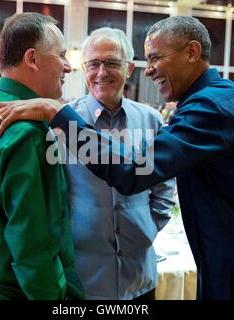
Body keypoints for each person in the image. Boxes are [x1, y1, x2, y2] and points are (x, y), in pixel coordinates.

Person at [0, 16, 234, 299]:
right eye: (148, 59)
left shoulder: (210, 108)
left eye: (156, 57)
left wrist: (55, 111)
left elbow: (132, 172)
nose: (150, 69)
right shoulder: (217, 99)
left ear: (192, 52)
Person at [0, 12, 84, 300]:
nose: (69, 66)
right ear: (32, 59)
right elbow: (34, 247)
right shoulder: (28, 133)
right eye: (61, 55)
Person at [64, 27, 175, 300]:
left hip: (139, 277)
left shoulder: (150, 120)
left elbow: (164, 185)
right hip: (84, 280)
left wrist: (148, 227)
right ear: (84, 68)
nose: (102, 72)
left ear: (129, 69)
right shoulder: (63, 124)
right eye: (93, 64)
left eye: (112, 62)